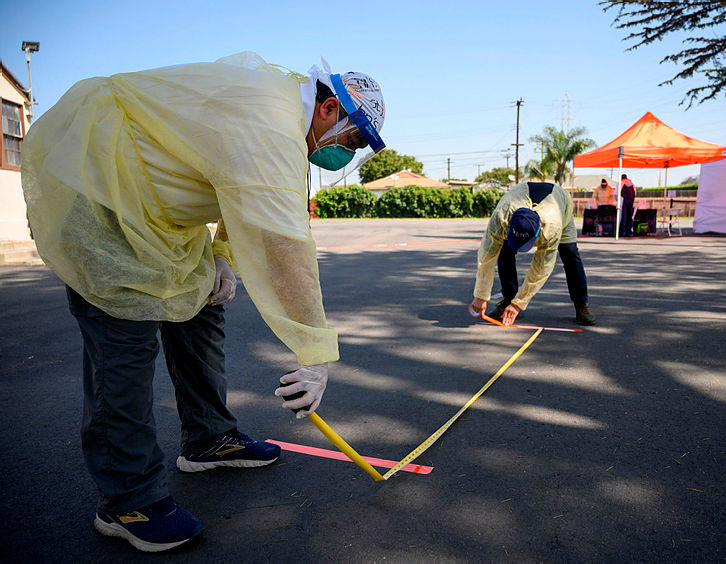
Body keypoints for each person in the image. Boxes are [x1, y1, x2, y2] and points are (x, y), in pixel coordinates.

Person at [21, 52, 385, 553]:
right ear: (328, 109)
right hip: (103, 191)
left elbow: (243, 194)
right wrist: (314, 354)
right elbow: (287, 248)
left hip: (158, 207)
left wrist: (221, 256)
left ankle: (208, 438)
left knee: (203, 304)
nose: (348, 151)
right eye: (354, 139)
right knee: (124, 337)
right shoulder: (272, 123)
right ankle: (128, 500)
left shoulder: (282, 119)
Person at [470, 182, 596, 327]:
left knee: (570, 254)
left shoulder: (551, 227)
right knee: (504, 252)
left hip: (560, 204)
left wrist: (519, 303)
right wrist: (480, 295)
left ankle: (581, 304)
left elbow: (541, 269)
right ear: (509, 226)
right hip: (520, 195)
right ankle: (508, 298)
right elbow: (486, 256)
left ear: (538, 232)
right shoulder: (501, 217)